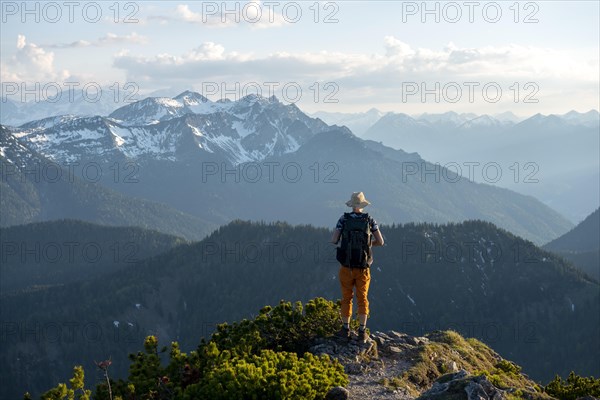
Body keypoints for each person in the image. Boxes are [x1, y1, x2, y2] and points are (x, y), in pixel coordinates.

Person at [331, 191, 384, 342]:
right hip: (363, 267)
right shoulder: (370, 220)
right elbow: (381, 242)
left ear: (352, 204)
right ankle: (362, 332)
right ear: (362, 205)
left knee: (346, 298)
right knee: (363, 298)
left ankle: (345, 329)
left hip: (346, 267)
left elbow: (334, 240)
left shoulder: (343, 219)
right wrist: (368, 244)